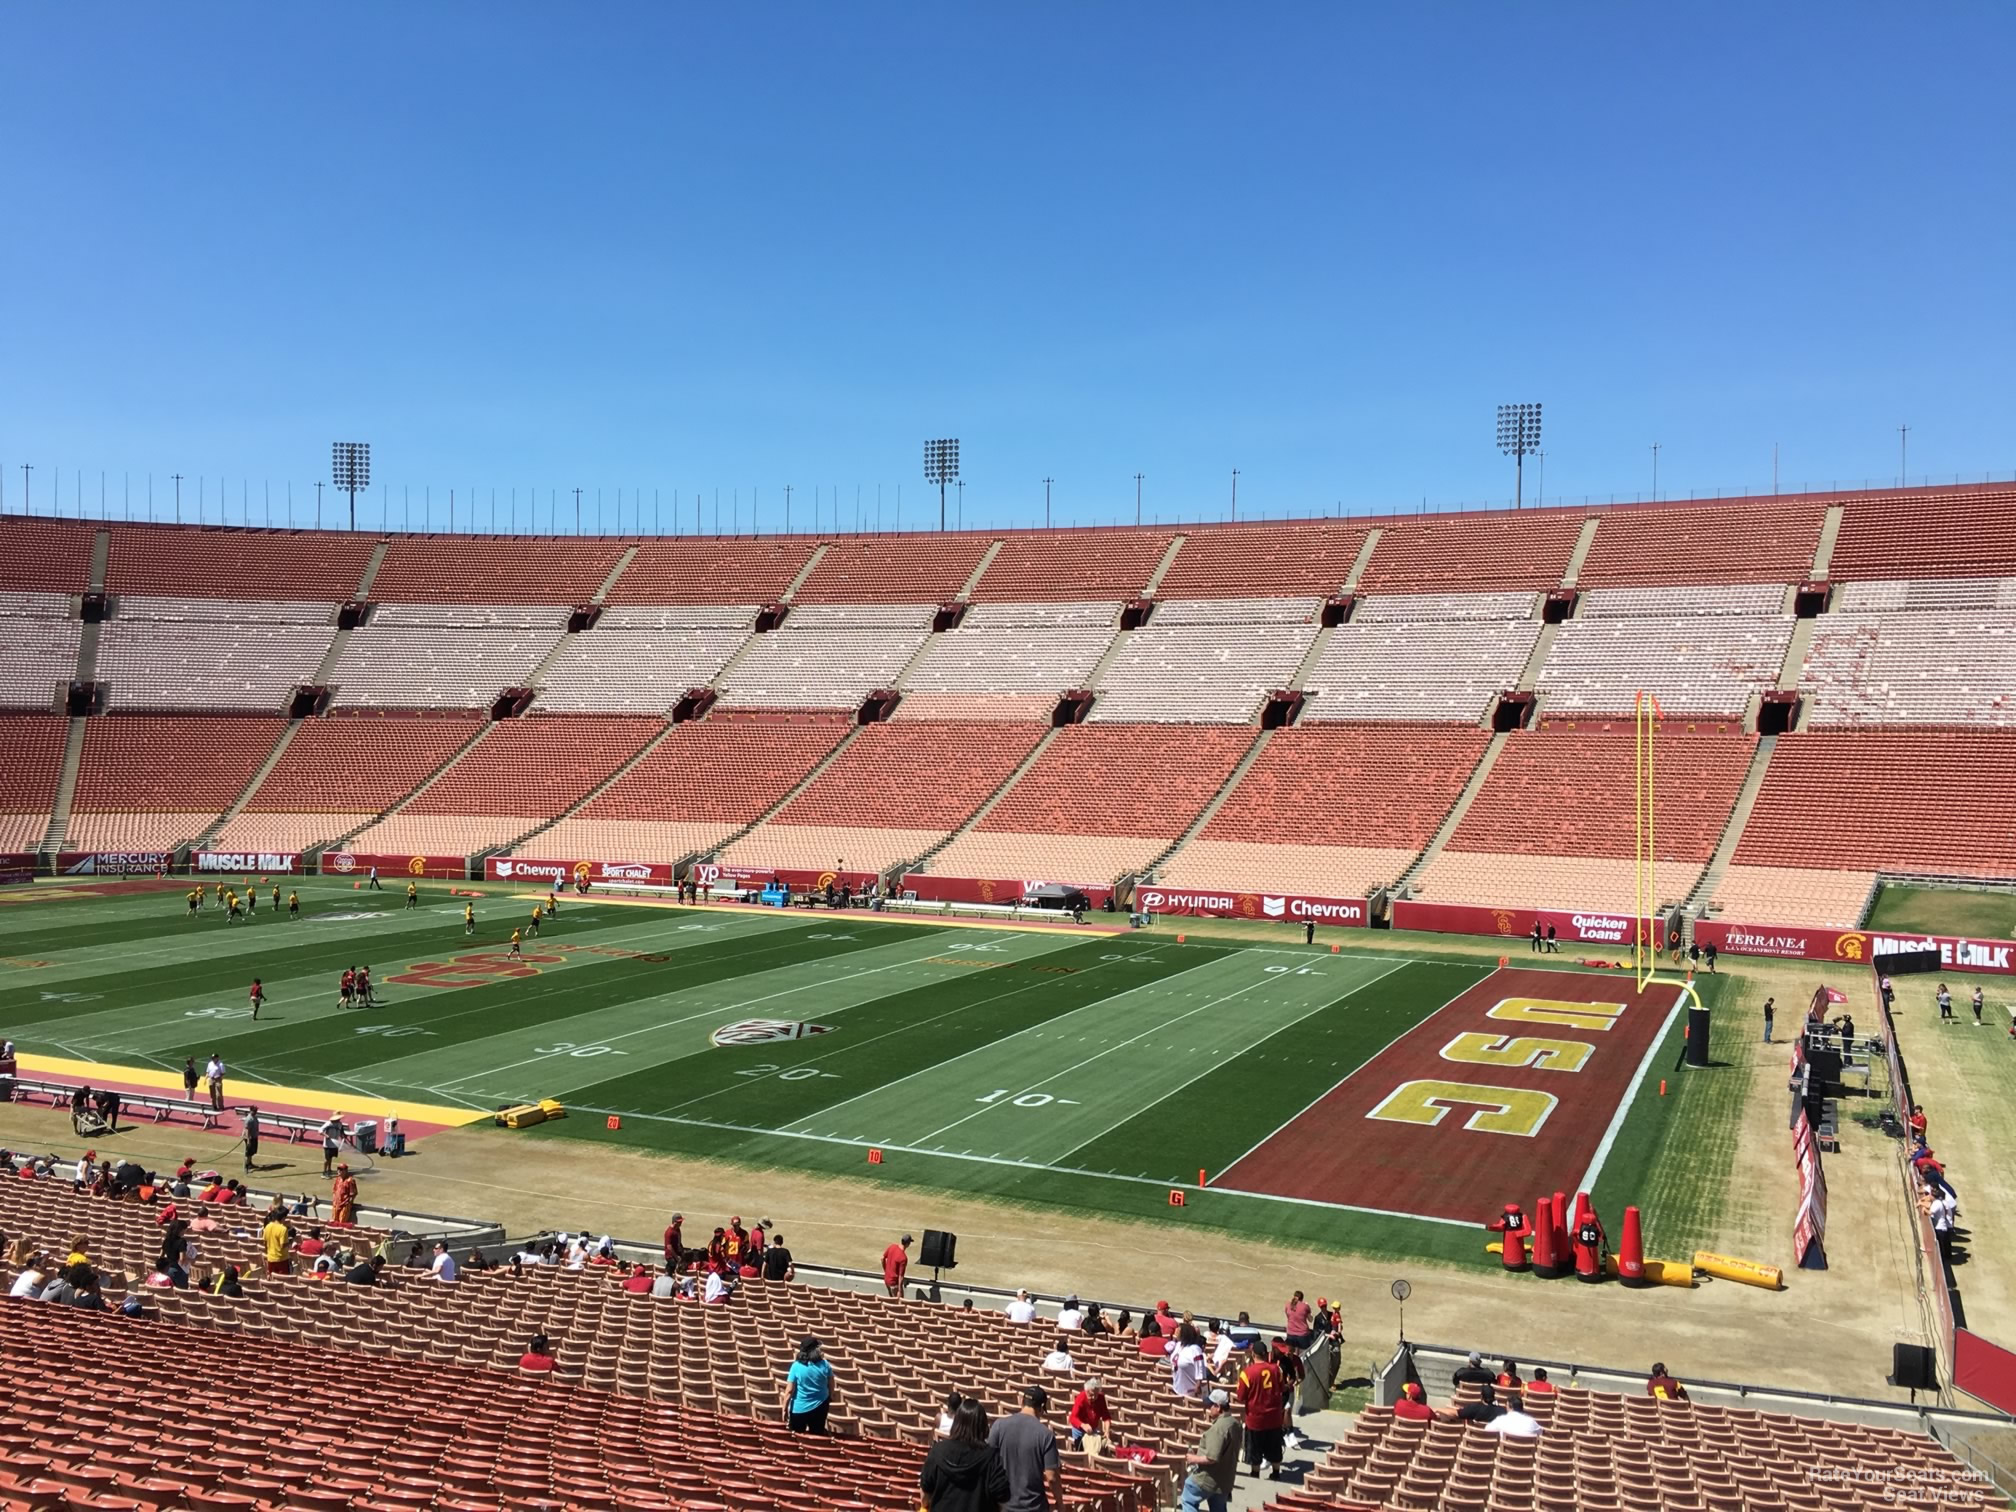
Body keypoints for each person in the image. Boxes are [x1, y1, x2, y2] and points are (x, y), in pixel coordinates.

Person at [920, 1397, 1009, 1512]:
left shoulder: (937, 1451)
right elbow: (1003, 1497)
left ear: (956, 1423)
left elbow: (924, 1497)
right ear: (983, 1426)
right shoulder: (992, 1457)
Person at [989, 1384, 1063, 1512]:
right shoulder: (1046, 1435)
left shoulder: (998, 1426)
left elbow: (988, 1463)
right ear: (1041, 1408)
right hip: (1033, 1507)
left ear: (1021, 1402)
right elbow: (1052, 1477)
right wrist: (1060, 1503)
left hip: (1004, 1505)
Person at [1235, 1338, 1289, 1480]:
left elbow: (1240, 1396)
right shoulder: (1276, 1370)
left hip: (1255, 1418)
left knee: (1255, 1448)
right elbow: (1283, 1388)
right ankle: (1276, 1472)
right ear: (1266, 1354)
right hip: (1274, 1417)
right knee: (1274, 1446)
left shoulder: (1247, 1373)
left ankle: (1255, 1473)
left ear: (1253, 1354)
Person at [1182, 1388, 1242, 1512]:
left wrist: (1193, 1458)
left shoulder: (1218, 1429)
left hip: (1209, 1479)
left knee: (1188, 1497)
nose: (1209, 1409)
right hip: (1225, 1479)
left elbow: (1212, 1458)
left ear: (1218, 1407)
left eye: (1211, 1405)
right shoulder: (1235, 1424)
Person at [783, 1337, 833, 1433]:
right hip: (820, 1406)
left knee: (797, 1437)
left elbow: (789, 1391)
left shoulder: (796, 1366)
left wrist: (784, 1408)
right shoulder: (825, 1365)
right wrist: (829, 1397)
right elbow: (831, 1384)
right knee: (817, 1437)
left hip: (799, 1408)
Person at [1066, 1377, 1114, 1452]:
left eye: (1096, 1395)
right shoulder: (1081, 1398)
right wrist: (1083, 1425)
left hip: (1092, 1430)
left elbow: (1106, 1416)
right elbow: (1072, 1418)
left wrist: (1107, 1431)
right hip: (1079, 1431)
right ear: (1086, 1391)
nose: (1094, 1397)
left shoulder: (1101, 1398)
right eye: (1091, 1395)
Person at [1167, 1322, 1210, 1399]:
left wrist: (1198, 1384)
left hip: (1191, 1391)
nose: (1176, 1331)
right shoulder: (1178, 1345)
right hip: (1177, 1386)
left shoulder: (1195, 1349)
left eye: (1178, 1330)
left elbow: (1200, 1367)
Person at [881, 1234, 912, 1298]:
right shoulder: (903, 1258)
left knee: (891, 1300)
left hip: (887, 1280)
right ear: (908, 1244)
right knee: (898, 1303)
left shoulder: (892, 1246)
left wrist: (886, 1271)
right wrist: (900, 1290)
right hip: (894, 1283)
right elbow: (901, 1276)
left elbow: (882, 1258)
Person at [242, 1108, 261, 1173]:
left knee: (252, 1152)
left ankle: (250, 1164)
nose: (255, 1112)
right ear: (251, 1110)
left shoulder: (254, 1117)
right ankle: (246, 1167)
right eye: (254, 1111)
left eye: (256, 1111)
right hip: (250, 1137)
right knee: (248, 1153)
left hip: (254, 1136)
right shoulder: (249, 1119)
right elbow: (247, 1130)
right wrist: (248, 1139)